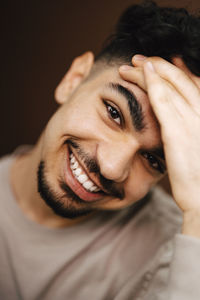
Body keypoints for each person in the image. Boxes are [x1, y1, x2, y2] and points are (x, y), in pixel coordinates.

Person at [1, 0, 200, 299]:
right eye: (114, 113)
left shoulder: (173, 256)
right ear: (74, 79)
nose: (111, 167)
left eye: (153, 160)